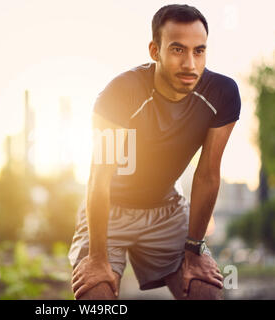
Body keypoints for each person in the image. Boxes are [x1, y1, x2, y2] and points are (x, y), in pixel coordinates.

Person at [68, 4, 241, 300]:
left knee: (206, 291)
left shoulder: (222, 94)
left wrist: (196, 248)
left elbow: (208, 174)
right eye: (177, 50)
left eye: (199, 51)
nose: (190, 63)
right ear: (154, 50)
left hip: (166, 210)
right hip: (108, 210)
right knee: (95, 296)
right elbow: (99, 178)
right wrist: (97, 257)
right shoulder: (119, 94)